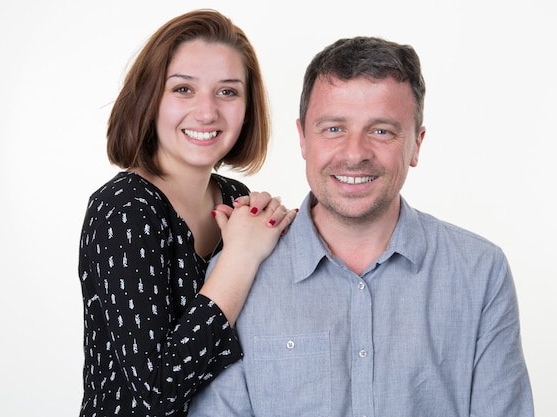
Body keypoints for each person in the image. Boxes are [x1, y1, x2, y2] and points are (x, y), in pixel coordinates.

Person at [188, 36, 534, 416]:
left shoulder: (480, 272)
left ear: (416, 144)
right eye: (334, 129)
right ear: (303, 138)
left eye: (382, 130)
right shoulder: (239, 270)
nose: (355, 153)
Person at [77, 9, 297, 417]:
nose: (207, 112)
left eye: (228, 92)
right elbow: (158, 391)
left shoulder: (235, 198)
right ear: (149, 99)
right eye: (183, 89)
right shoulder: (124, 208)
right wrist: (241, 258)